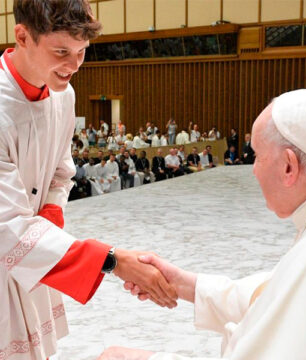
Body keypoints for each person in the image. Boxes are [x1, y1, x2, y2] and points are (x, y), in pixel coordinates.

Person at [99, 89, 306, 360]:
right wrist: (185, 284)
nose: (254, 170)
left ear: (288, 167)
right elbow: (273, 296)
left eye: (257, 156)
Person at [0, 2, 177, 359]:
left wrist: (49, 218)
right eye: (61, 51)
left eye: (81, 52)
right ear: (22, 35)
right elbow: (6, 228)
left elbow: (62, 172)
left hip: (34, 248)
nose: (72, 66)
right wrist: (110, 260)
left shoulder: (63, 96)